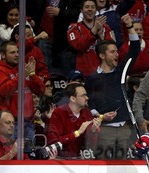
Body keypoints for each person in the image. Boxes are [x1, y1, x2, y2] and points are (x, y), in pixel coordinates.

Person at [84, 13, 140, 160]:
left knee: (124, 169)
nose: (117, 55)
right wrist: (101, 116)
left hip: (124, 130)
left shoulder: (121, 72)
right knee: (104, 166)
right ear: (102, 55)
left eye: (117, 51)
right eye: (112, 52)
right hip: (104, 131)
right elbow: (90, 103)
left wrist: (129, 26)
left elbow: (135, 49)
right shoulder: (92, 78)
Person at [0, 40, 46, 152]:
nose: (17, 55)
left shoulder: (24, 68)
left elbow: (41, 90)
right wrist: (22, 75)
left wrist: (32, 74)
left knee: (28, 157)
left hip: (27, 122)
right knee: (9, 157)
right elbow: (4, 91)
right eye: (12, 52)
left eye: (18, 52)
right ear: (3, 55)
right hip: (9, 124)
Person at [47, 83, 104, 159]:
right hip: (61, 159)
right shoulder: (59, 113)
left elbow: (91, 145)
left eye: (86, 95)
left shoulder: (87, 113)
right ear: (73, 98)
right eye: (83, 95)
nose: (87, 98)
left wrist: (92, 131)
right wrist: (77, 133)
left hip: (82, 158)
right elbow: (53, 142)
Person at [67, 0, 114, 77]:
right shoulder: (74, 28)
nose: (90, 9)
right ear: (81, 10)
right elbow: (79, 46)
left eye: (93, 7)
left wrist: (101, 37)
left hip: (103, 72)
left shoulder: (105, 27)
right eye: (87, 7)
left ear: (96, 10)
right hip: (83, 74)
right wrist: (94, 31)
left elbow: (111, 49)